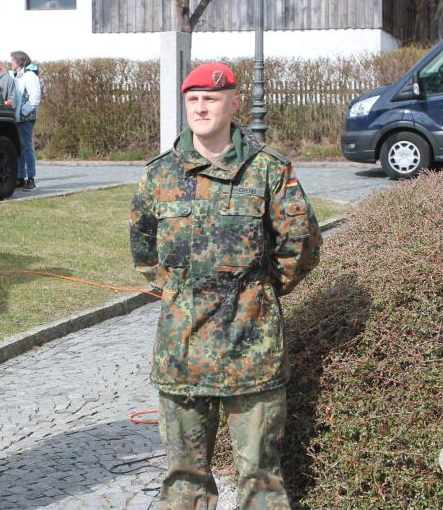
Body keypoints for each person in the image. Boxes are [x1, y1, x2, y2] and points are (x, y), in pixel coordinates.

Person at [129, 62, 322, 508]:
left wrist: (258, 291)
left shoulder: (268, 170)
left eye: (211, 99)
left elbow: (301, 245)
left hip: (252, 348)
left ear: (234, 104)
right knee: (185, 481)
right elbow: (143, 249)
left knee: (261, 479)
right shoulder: (160, 174)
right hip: (182, 351)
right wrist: (183, 291)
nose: (201, 108)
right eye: (193, 99)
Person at [10, 50, 40, 190]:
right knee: (19, 147)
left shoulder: (30, 76)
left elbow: (35, 98)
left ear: (19, 62)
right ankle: (20, 177)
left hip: (26, 118)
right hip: (17, 117)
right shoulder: (15, 75)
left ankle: (31, 178)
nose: (11, 62)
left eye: (13, 60)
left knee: (27, 146)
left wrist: (23, 111)